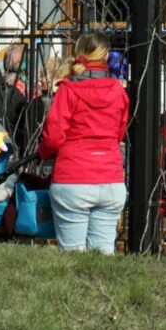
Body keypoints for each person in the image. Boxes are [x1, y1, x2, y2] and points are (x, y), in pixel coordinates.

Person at [35, 34, 128, 253]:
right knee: (103, 254)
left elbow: (54, 137)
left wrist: (43, 152)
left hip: (73, 178)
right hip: (110, 178)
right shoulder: (118, 90)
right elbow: (119, 134)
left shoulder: (68, 89)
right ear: (106, 56)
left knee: (72, 254)